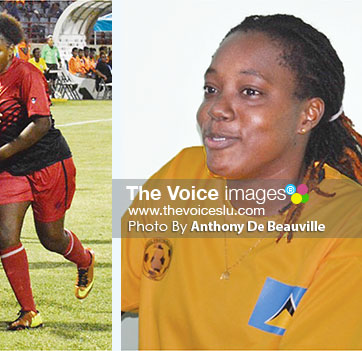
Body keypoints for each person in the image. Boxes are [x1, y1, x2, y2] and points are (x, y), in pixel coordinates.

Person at [121, 14, 362, 349]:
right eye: (211, 89)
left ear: (307, 115)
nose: (216, 109)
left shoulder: (347, 226)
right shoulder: (181, 176)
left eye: (250, 92)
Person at [0, 12, 95, 330]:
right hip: (11, 169)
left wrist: (3, 151)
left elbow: (42, 123)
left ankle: (84, 259)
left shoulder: (27, 74)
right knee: (5, 236)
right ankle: (29, 311)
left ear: (13, 48)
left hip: (48, 163)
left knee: (50, 237)